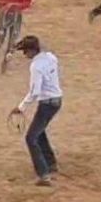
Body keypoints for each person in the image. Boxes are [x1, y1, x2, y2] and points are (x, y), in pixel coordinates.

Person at [10, 36, 62, 186]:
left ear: (32, 50)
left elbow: (35, 92)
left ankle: (44, 174)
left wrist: (21, 108)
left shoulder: (36, 66)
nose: (25, 54)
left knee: (31, 138)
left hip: (46, 103)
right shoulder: (51, 57)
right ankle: (51, 163)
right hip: (57, 100)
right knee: (39, 132)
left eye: (25, 51)